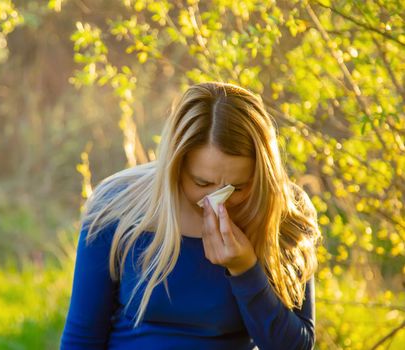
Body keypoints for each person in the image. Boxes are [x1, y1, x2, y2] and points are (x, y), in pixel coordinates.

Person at [60, 82, 322, 349]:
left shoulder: (284, 212)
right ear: (175, 166)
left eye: (239, 187)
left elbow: (295, 346)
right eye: (202, 183)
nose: (218, 201)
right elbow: (82, 338)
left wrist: (245, 269)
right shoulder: (116, 206)